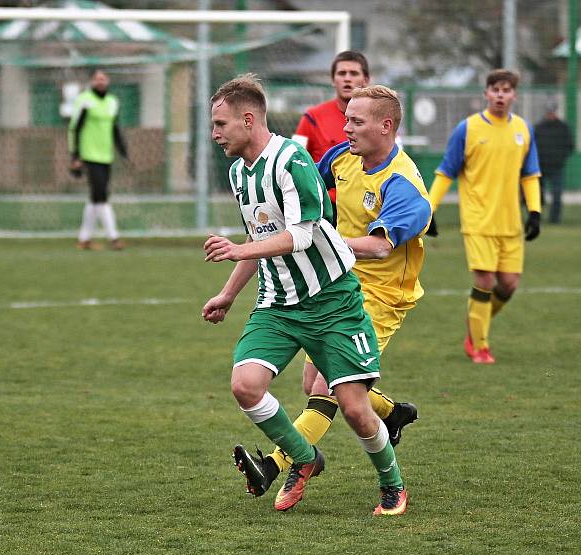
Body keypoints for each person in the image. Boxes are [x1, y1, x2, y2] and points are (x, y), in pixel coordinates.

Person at [203, 74, 408, 516]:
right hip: (278, 303)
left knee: (354, 410)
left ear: (248, 118)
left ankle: (392, 484)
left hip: (333, 302)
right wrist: (227, 294)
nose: (215, 134)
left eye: (220, 124)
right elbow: (257, 237)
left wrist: (240, 248)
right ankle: (304, 457)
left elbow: (299, 235)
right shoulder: (239, 171)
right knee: (245, 385)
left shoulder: (291, 160)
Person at [429, 69, 541, 364]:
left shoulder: (523, 130)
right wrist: (430, 209)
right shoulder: (467, 129)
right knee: (485, 281)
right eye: (495, 89)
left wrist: (535, 211)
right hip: (478, 221)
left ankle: (476, 326)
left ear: (514, 95)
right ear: (486, 94)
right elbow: (445, 173)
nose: (501, 95)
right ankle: (480, 346)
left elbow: (530, 175)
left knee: (509, 284)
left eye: (506, 90)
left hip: (510, 222)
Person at [292, 50, 370, 206]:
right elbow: (294, 160)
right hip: (325, 206)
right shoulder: (311, 117)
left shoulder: (378, 119)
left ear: (366, 80)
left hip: (367, 203)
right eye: (342, 73)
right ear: (333, 79)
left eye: (354, 73)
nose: (347, 78)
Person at [68, 68, 128, 250]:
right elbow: (74, 128)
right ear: (92, 82)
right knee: (101, 196)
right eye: (97, 79)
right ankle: (114, 238)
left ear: (108, 81)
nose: (101, 82)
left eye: (103, 79)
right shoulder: (85, 101)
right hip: (89, 156)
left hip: (105, 156)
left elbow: (115, 129)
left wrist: (123, 151)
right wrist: (75, 156)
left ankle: (84, 239)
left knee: (96, 198)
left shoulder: (112, 102)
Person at [534, 103, 574, 224]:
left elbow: (569, 145)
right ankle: (536, 218)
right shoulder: (539, 127)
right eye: (548, 112)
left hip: (557, 167)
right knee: (538, 195)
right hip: (541, 167)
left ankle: (555, 219)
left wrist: (560, 159)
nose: (550, 114)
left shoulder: (563, 128)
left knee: (557, 194)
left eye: (552, 112)